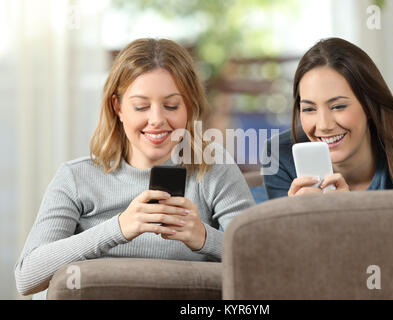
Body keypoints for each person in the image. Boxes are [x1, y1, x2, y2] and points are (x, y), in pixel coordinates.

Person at [15, 38, 255, 296]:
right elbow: (27, 276)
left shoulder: (212, 170)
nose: (157, 120)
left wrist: (204, 238)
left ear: (188, 107)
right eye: (141, 106)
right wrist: (118, 228)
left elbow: (263, 262)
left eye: (172, 105)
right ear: (117, 107)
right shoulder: (76, 178)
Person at [263, 37, 393, 199]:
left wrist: (348, 213)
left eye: (338, 106)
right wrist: (293, 218)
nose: (324, 125)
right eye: (309, 109)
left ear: (369, 106)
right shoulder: (281, 156)